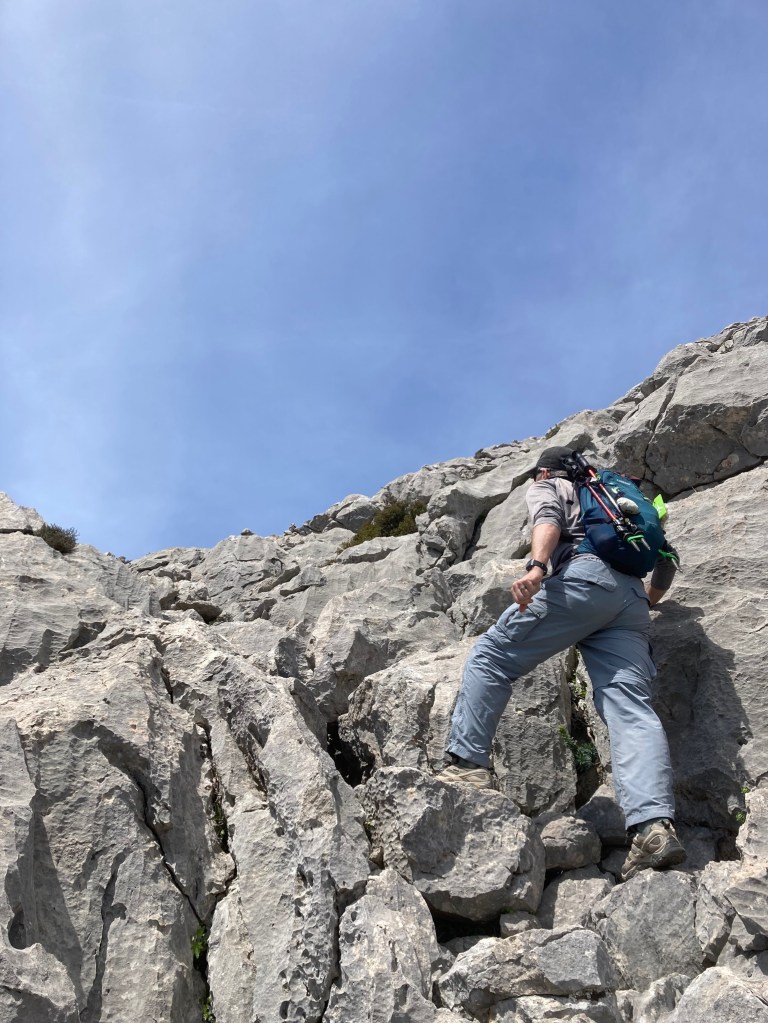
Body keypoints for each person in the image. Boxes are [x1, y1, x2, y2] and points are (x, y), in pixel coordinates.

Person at [440, 446, 686, 881]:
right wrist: (643, 602)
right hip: (630, 602)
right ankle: (652, 827)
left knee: (491, 657)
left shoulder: (550, 484)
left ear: (546, 470)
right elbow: (666, 559)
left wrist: (536, 568)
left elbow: (548, 520)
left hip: (582, 579)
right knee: (631, 711)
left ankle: (466, 769)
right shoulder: (617, 500)